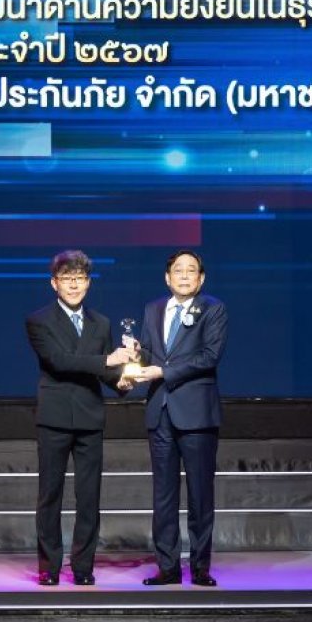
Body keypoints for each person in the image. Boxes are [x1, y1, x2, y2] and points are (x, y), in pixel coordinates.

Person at [25, 250, 133, 586]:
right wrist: (107, 360)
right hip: (54, 417)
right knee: (50, 496)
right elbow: (59, 361)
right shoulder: (38, 320)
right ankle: (49, 567)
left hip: (89, 417)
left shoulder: (101, 322)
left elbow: (106, 372)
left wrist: (123, 380)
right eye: (67, 278)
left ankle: (83, 567)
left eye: (80, 278)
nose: (74, 284)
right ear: (54, 283)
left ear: (88, 283)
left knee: (89, 498)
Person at [127, 250, 227, 587]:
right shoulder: (153, 309)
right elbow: (150, 355)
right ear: (167, 277)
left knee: (200, 494)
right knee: (164, 495)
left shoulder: (213, 308)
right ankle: (167, 567)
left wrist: (162, 371)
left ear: (201, 278)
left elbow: (209, 356)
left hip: (197, 413)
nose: (184, 275)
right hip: (161, 411)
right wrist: (136, 356)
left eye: (191, 270)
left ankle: (200, 567)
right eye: (178, 270)